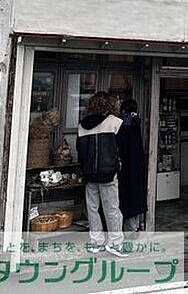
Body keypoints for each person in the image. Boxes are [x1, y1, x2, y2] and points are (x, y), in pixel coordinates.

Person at [76, 91, 125, 257]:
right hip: (108, 173)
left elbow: (80, 151)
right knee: (112, 209)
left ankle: (96, 242)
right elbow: (123, 147)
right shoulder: (114, 122)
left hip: (89, 174)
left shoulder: (81, 126)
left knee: (92, 209)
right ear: (109, 105)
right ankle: (115, 243)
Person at [117, 99, 148, 231]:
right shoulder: (137, 123)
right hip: (138, 165)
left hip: (126, 166)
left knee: (127, 197)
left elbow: (121, 145)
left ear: (123, 110)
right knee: (137, 196)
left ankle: (129, 228)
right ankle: (137, 225)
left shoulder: (124, 125)